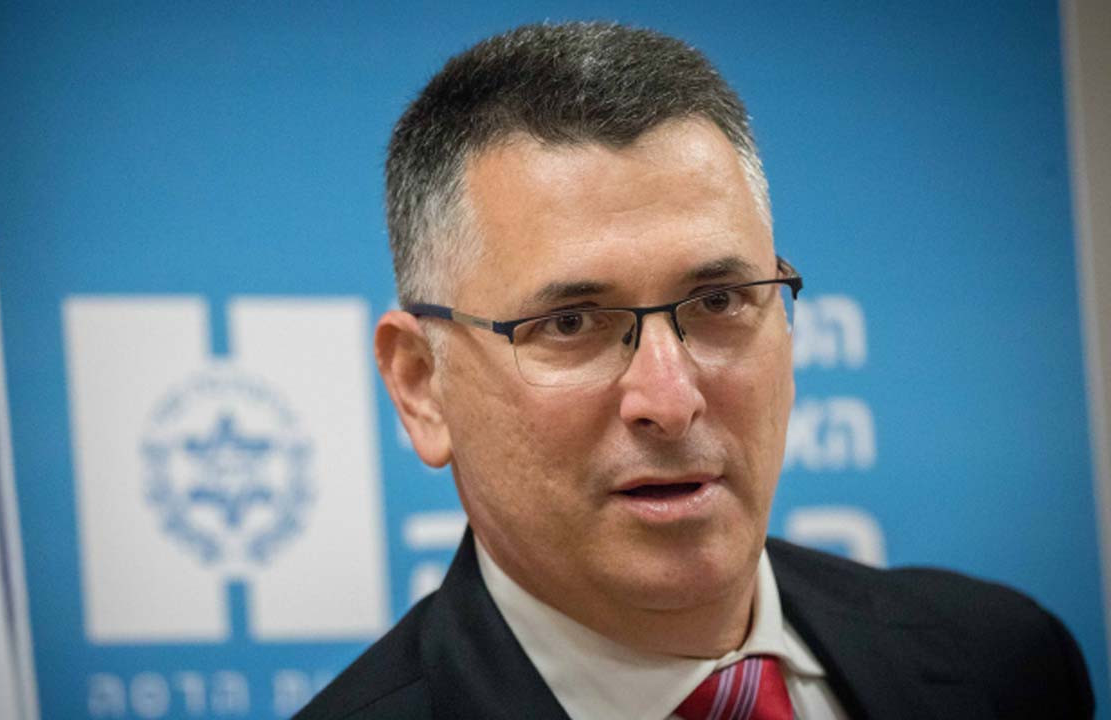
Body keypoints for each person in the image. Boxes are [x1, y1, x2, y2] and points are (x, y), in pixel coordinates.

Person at [295, 21, 1094, 720]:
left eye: (718, 301)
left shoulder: (1005, 663)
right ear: (421, 385)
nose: (670, 400)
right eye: (570, 324)